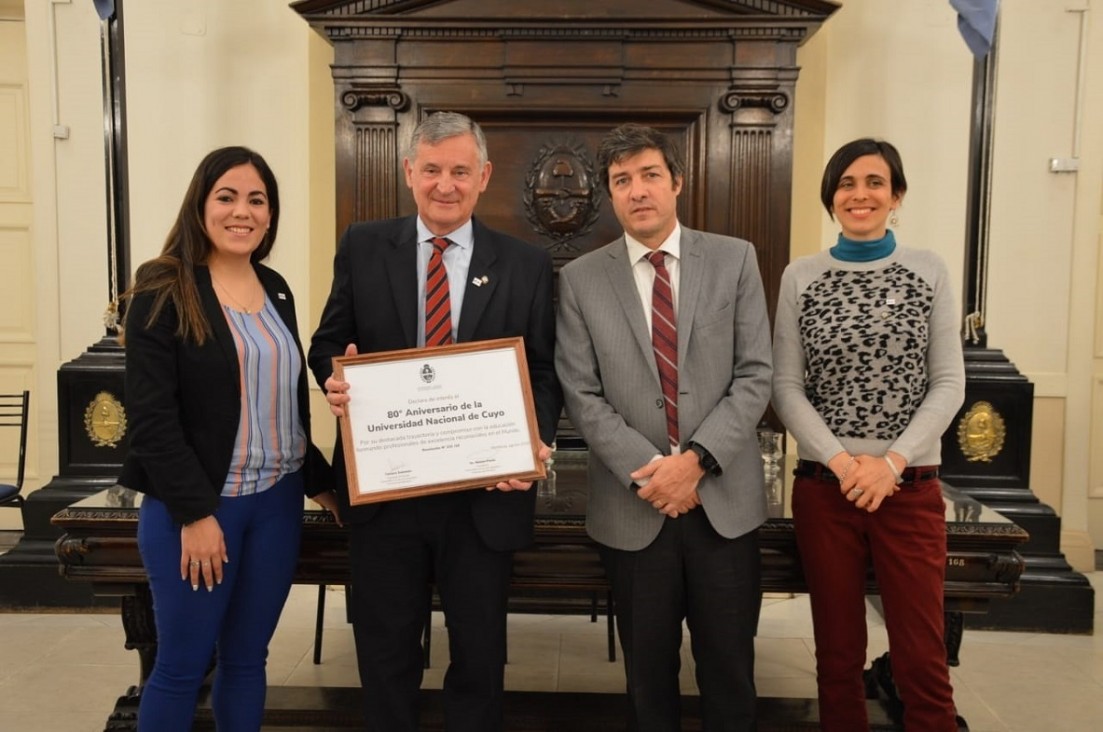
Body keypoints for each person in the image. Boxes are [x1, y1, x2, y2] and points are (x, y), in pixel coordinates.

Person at [308, 111, 562, 732]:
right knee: (386, 652)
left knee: (479, 657)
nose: (444, 185)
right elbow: (329, 343)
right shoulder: (364, 245)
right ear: (408, 173)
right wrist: (333, 379)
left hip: (485, 493)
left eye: (458, 171)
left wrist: (535, 442)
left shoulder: (526, 263)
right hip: (387, 491)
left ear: (483, 178)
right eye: (431, 170)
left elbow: (547, 373)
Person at [555, 123, 773, 732]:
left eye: (649, 175)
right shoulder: (580, 279)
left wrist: (695, 462)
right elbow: (582, 392)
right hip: (636, 507)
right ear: (611, 194)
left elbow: (756, 375)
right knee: (647, 681)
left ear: (677, 181)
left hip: (722, 503)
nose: (637, 191)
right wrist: (657, 473)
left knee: (730, 672)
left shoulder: (734, 259)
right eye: (622, 181)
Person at [118, 146, 338, 732]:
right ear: (201, 205)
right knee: (182, 666)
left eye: (257, 200)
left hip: (276, 506)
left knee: (248, 660)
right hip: (199, 508)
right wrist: (195, 514)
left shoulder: (275, 287)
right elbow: (151, 417)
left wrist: (326, 486)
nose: (243, 211)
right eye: (227, 197)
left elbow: (282, 409)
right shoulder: (161, 286)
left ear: (270, 215)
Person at [772, 138, 965, 731]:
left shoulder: (928, 269)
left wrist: (891, 464)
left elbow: (949, 382)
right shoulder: (800, 276)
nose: (860, 194)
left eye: (875, 182)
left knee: (921, 658)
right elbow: (786, 386)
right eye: (847, 183)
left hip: (909, 492)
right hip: (827, 493)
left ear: (896, 195)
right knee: (835, 656)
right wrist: (842, 462)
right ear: (831, 197)